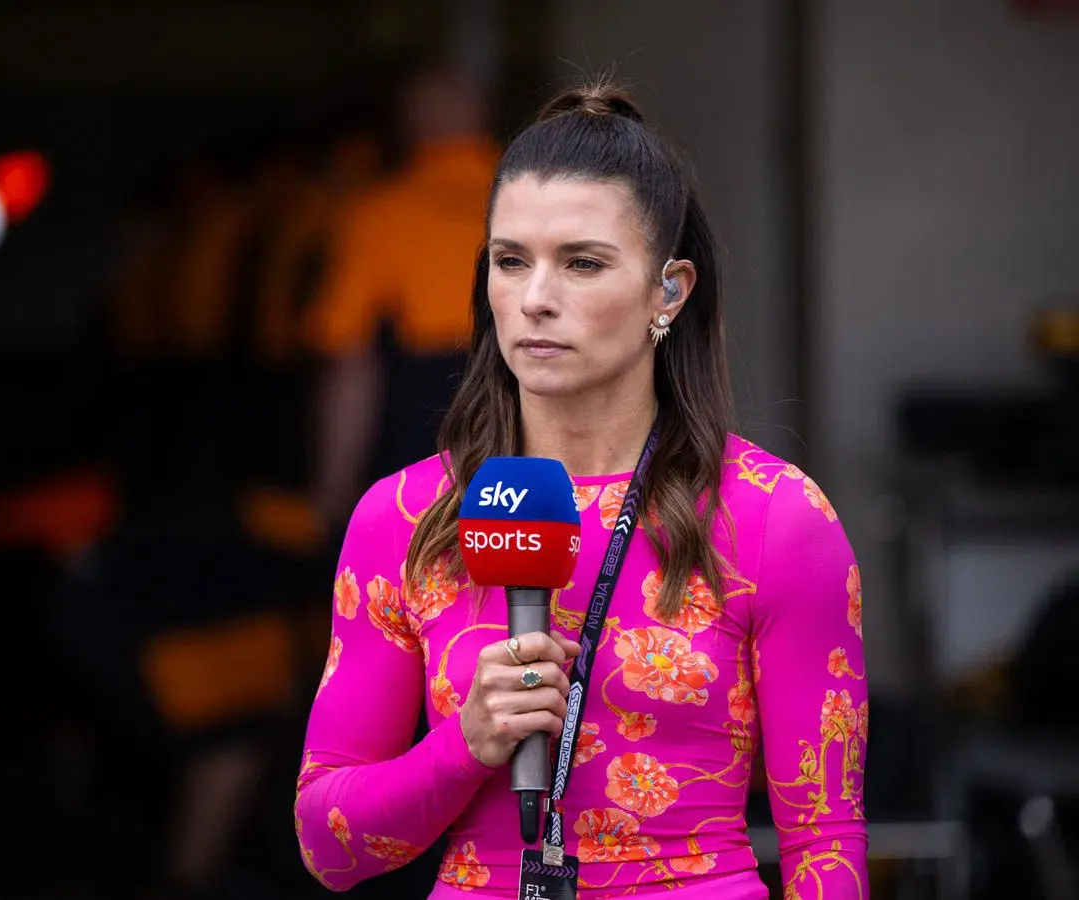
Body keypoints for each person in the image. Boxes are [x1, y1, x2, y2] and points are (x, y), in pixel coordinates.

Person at [295, 81, 869, 899]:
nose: (535, 299)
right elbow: (329, 847)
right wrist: (463, 744)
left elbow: (825, 844)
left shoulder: (773, 516)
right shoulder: (407, 516)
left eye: (583, 264)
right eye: (510, 261)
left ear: (669, 291)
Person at [302, 62, 499, 535]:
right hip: (531, 416)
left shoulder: (377, 214)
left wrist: (334, 490)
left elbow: (352, 366)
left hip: (421, 425)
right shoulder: (543, 200)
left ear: (410, 122)